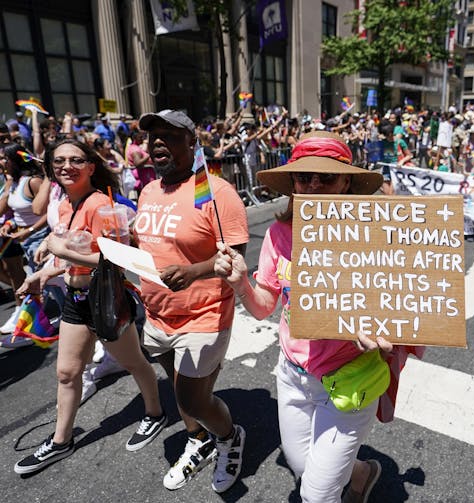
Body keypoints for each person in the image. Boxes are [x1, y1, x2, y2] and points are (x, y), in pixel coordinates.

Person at [214, 131, 388, 503]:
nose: (313, 185)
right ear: (293, 183)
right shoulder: (280, 233)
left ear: (346, 182)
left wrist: (381, 328)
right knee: (301, 466)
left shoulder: (373, 235)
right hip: (293, 376)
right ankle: (363, 472)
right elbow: (265, 305)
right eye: (304, 176)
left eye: (326, 177)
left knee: (316, 495)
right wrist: (241, 284)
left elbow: (402, 306)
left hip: (349, 381)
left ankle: (345, 477)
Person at [13, 138, 165, 475]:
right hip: (76, 299)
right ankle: (60, 440)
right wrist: (46, 271)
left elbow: (116, 260)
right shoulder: (66, 205)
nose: (67, 166)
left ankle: (155, 412)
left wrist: (61, 251)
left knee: (134, 362)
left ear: (91, 167)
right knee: (66, 372)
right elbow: (75, 260)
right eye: (59, 161)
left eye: (76, 160)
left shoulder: (101, 205)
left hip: (107, 300)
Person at [134, 109, 248, 493]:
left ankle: (229, 437)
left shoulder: (217, 193)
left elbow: (235, 259)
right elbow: (148, 244)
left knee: (192, 398)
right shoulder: (149, 189)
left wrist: (195, 272)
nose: (158, 143)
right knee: (179, 387)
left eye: (169, 136)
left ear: (193, 143)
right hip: (156, 314)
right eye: (153, 137)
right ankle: (197, 439)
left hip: (204, 315)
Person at [0, 144, 50, 336]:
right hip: (26, 240)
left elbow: (48, 212)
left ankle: (28, 326)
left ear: (16, 160)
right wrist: (11, 224)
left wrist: (29, 230)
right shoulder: (14, 182)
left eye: (6, 158)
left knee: (45, 284)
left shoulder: (33, 182)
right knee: (46, 286)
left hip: (40, 238)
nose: (3, 162)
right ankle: (30, 322)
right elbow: (15, 211)